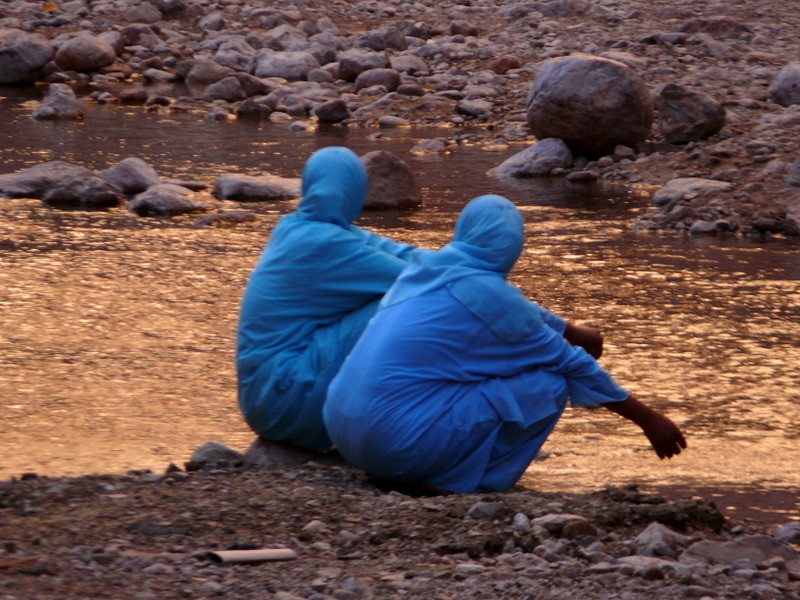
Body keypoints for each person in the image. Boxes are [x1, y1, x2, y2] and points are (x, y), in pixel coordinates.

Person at [323, 194, 686, 494]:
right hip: (391, 447)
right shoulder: (488, 296)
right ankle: (456, 482)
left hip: (342, 431)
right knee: (550, 383)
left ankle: (429, 462)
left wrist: (569, 329)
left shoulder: (424, 267)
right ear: (512, 247)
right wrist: (648, 420)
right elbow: (571, 363)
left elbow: (514, 309)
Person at [236, 146, 418, 454]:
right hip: (280, 399)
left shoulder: (298, 228)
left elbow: (407, 255)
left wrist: (463, 262)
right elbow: (417, 280)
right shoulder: (323, 243)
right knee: (403, 307)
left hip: (262, 395)